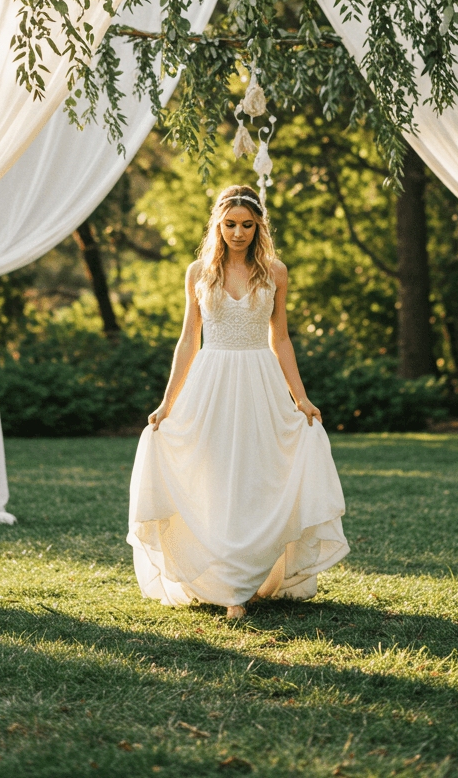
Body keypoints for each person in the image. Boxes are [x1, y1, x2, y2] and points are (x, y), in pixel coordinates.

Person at [127, 184, 349, 618]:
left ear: (259, 226)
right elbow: (189, 340)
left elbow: (280, 338)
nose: (238, 232)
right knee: (214, 479)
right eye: (230, 224)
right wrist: (167, 403)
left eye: (248, 225)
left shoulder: (275, 272)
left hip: (259, 383)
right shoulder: (198, 272)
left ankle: (250, 579)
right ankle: (227, 585)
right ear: (218, 225)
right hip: (210, 384)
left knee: (254, 479)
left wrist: (300, 398)